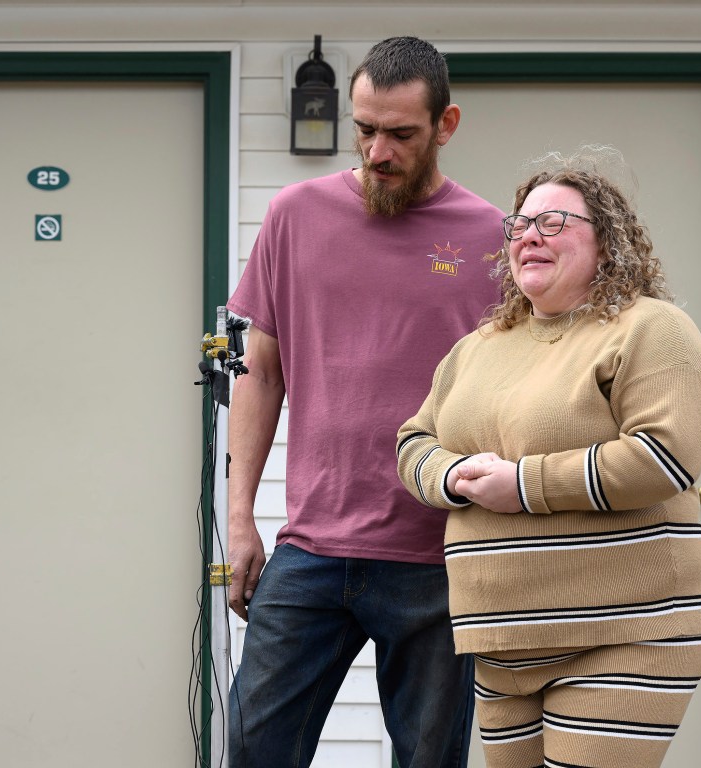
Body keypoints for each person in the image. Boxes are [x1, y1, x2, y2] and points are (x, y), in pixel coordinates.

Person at [225, 36, 505, 768]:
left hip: (438, 558)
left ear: (445, 126)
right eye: (366, 130)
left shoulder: (490, 238)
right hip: (310, 547)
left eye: (401, 134)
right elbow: (262, 371)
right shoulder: (294, 214)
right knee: (254, 748)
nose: (378, 152)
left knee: (428, 760)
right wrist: (240, 519)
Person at [396, 149, 701, 768]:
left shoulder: (651, 328)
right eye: (519, 225)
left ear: (608, 240)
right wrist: (451, 477)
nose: (529, 236)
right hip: (501, 645)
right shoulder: (478, 347)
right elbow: (414, 442)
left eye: (554, 223)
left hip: (623, 634)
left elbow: (663, 459)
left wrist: (523, 484)